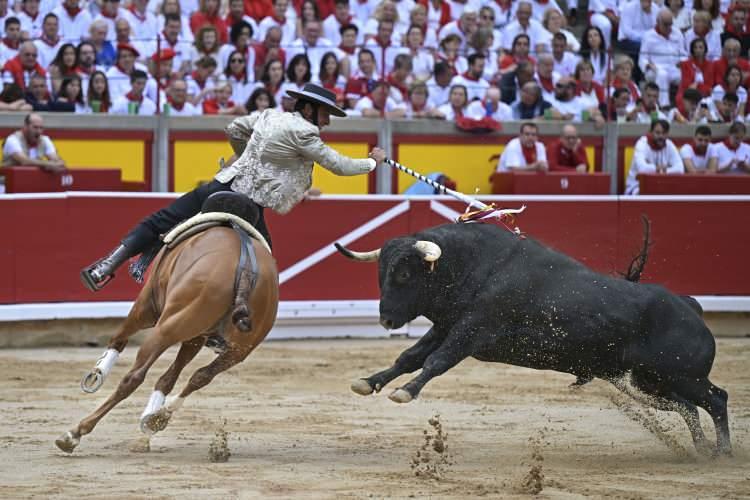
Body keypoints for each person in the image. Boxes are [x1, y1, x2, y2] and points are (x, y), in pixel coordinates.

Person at [80, 83, 386, 292]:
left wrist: (246, 156)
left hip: (221, 184)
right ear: (309, 111)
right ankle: (231, 317)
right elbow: (340, 166)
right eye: (325, 114)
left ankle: (106, 265)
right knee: (263, 266)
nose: (328, 122)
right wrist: (372, 162)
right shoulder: (306, 134)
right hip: (248, 205)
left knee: (160, 220)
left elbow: (235, 128)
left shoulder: (268, 116)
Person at [626, 119, 684, 195]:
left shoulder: (669, 144)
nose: (661, 136)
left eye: (664, 133)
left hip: (661, 186)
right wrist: (661, 168)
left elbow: (680, 169)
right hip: (636, 187)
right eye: (657, 133)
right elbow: (642, 169)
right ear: (651, 132)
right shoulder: (641, 144)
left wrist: (662, 170)